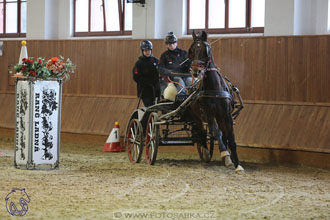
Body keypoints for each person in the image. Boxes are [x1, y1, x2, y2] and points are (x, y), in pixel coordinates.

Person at [132, 40, 160, 107]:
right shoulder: (139, 63)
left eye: (149, 50)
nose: (147, 52)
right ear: (142, 51)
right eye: (145, 50)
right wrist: (146, 81)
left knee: (156, 108)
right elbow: (136, 77)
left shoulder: (156, 61)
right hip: (145, 90)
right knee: (149, 108)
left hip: (156, 89)